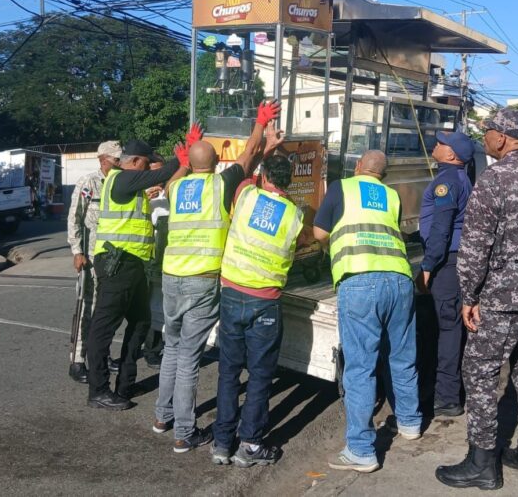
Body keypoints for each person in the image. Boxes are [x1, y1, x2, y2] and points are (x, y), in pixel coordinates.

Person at [435, 108, 518, 490]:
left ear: (503, 138)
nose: (484, 137)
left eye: (487, 131)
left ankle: (482, 462)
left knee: (479, 373)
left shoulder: (494, 179)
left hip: (502, 297)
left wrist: (469, 296)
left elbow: (475, 246)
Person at [154, 100, 281, 453]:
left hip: (171, 277)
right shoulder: (220, 185)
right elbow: (250, 152)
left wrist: (182, 160)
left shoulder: (177, 188)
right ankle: (184, 432)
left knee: (173, 349)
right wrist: (259, 123)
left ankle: (162, 416)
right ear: (215, 164)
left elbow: (170, 182)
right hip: (201, 279)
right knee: (189, 358)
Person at [313, 150, 421, 473]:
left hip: (360, 281)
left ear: (358, 166)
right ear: (383, 175)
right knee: (401, 355)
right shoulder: (391, 196)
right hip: (400, 280)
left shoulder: (341, 187)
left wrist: (328, 248)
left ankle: (361, 449)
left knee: (360, 367)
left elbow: (320, 233)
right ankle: (410, 422)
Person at [85, 133, 197, 411]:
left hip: (132, 266)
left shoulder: (130, 185)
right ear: (134, 161)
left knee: (141, 323)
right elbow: (162, 175)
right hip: (118, 265)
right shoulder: (121, 178)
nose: (148, 169)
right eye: (146, 164)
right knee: (103, 329)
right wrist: (180, 159)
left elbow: (163, 180)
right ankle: (98, 390)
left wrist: (182, 163)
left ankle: (124, 384)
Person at [211, 153, 302, 468]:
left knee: (228, 372)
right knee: (261, 376)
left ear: (265, 177)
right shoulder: (295, 215)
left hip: (232, 293)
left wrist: (266, 146)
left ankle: (221, 443)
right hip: (265, 300)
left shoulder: (247, 194)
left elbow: (243, 170)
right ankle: (249, 445)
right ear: (289, 182)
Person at [415, 132, 474, 417]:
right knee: (452, 327)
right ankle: (448, 392)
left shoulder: (447, 181)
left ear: (451, 155)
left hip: (447, 264)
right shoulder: (459, 178)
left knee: (448, 329)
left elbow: (442, 227)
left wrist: (427, 266)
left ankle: (447, 398)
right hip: (456, 259)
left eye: (440, 144)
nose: (435, 146)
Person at [66, 140, 121, 384]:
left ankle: (101, 355)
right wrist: (77, 251)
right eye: (116, 160)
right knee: (87, 308)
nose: (119, 164)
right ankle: (77, 361)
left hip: (110, 260)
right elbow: (74, 218)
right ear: (103, 160)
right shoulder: (89, 183)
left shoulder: (118, 183)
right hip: (89, 258)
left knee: (106, 311)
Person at [143, 156, 171, 369]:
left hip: (167, 260)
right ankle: (140, 347)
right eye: (153, 174)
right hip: (146, 259)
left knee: (160, 305)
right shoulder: (141, 197)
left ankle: (154, 348)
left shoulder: (171, 194)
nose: (158, 179)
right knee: (142, 307)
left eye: (161, 173)